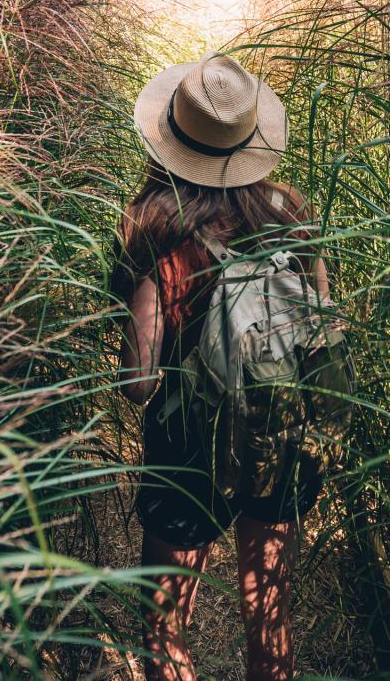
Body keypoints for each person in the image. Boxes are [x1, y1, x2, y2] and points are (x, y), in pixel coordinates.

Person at [113, 51, 330, 681]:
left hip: (188, 450)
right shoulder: (294, 216)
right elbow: (322, 328)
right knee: (269, 612)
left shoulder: (155, 231)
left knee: (164, 621)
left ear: (170, 140)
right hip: (278, 431)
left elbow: (140, 384)